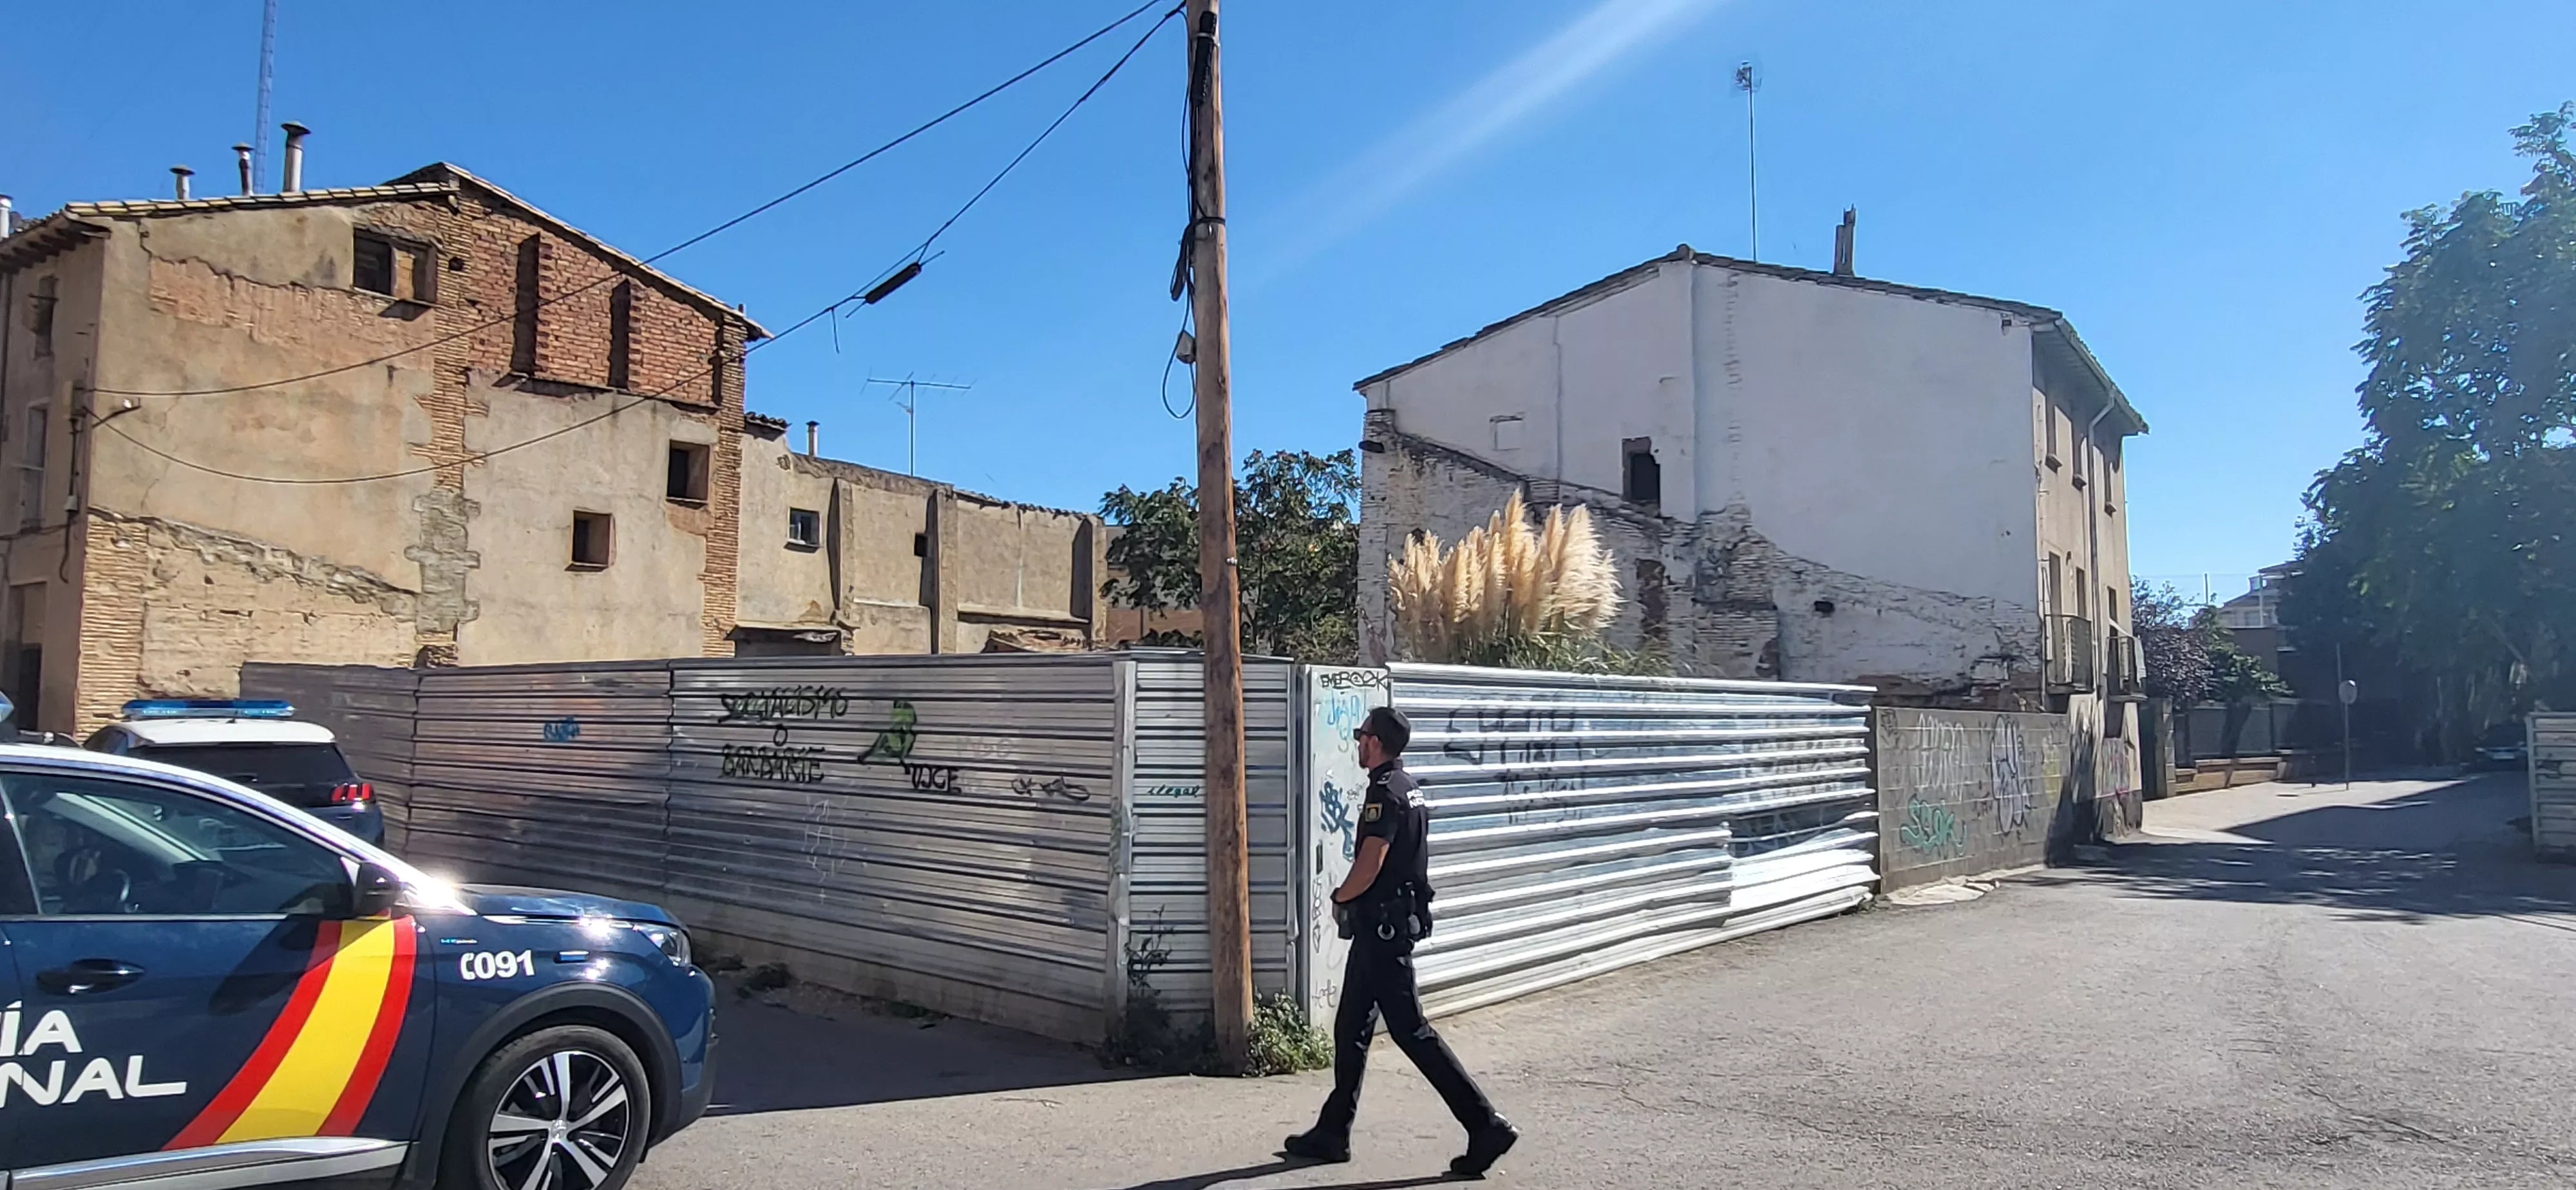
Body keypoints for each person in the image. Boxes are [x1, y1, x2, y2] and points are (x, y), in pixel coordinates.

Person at [1283, 705, 1518, 1177]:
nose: (1357, 742)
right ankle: (1333, 1131)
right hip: (1382, 929)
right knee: (1351, 1028)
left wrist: (1338, 895)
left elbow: (1372, 861)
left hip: (1383, 932)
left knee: (1413, 1032)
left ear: (1375, 741)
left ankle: (1484, 1123)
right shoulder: (1408, 789)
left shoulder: (1385, 795)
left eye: (1360, 734)